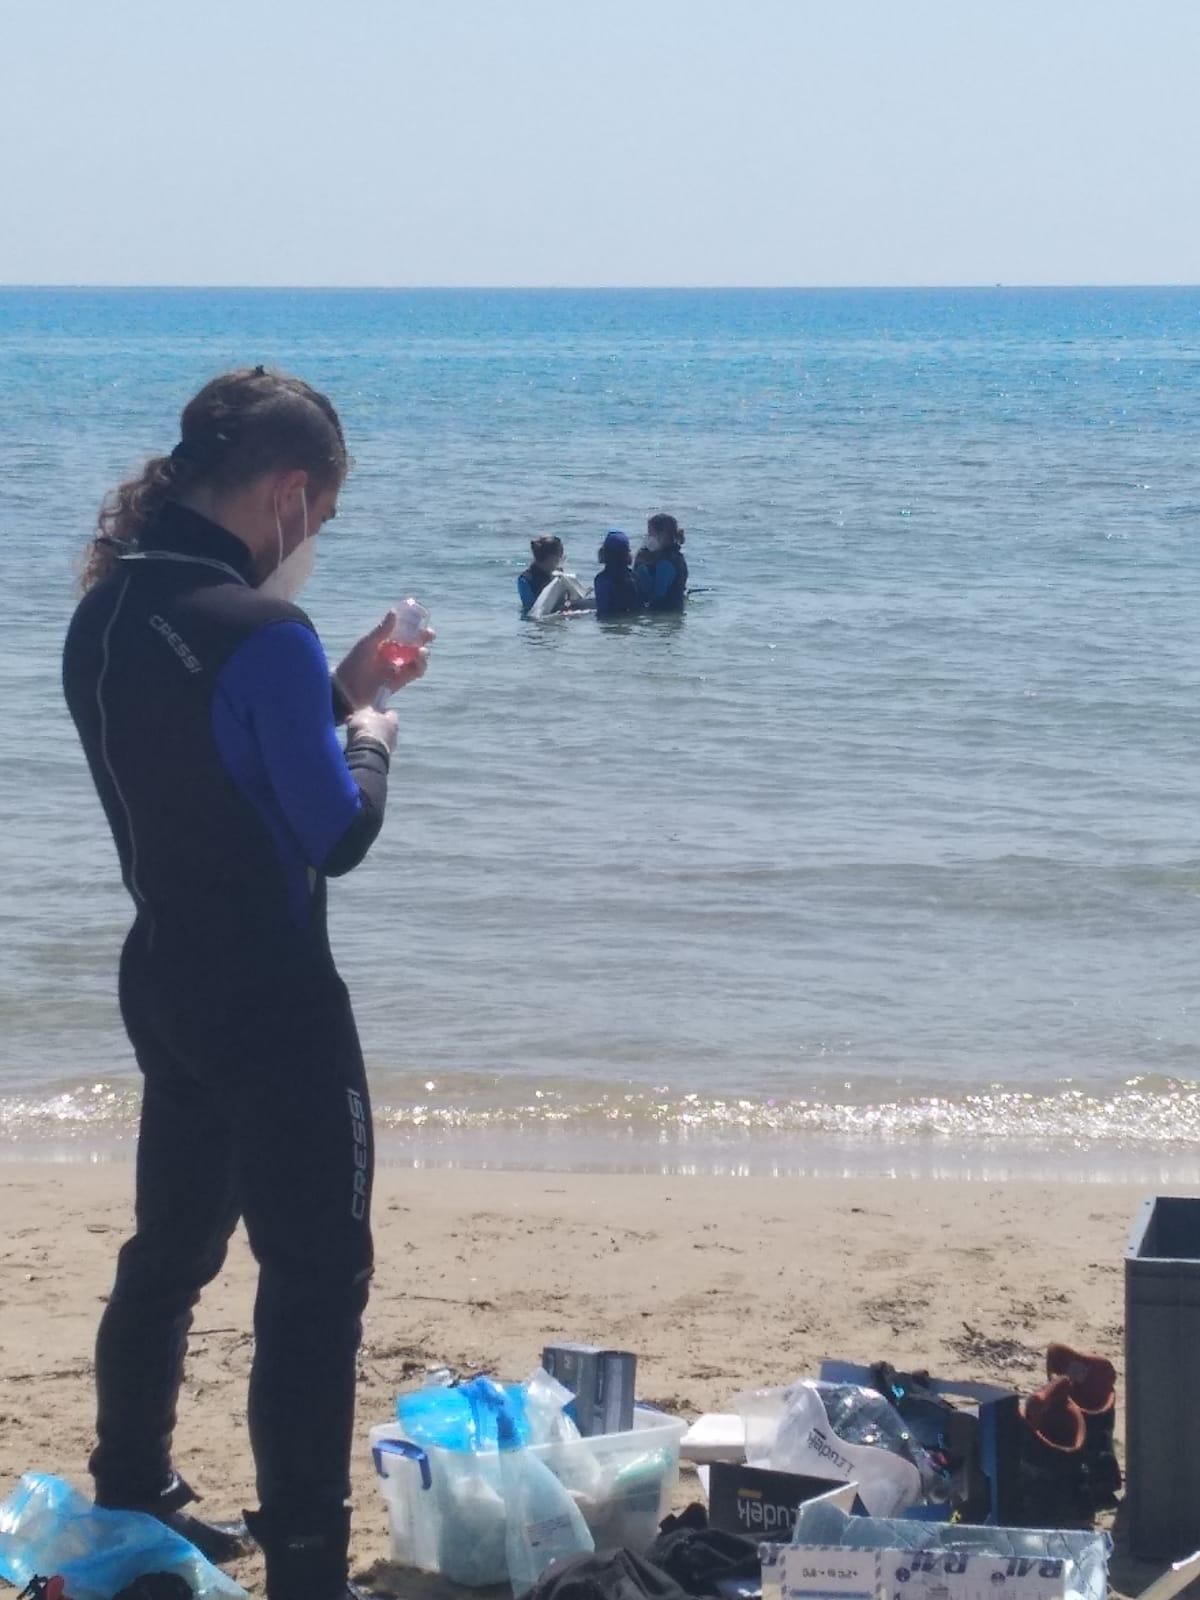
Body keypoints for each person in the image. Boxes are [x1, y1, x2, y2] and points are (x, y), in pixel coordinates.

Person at [61, 367, 430, 1600]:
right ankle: (311, 1567)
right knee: (317, 1273)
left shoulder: (106, 611)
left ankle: (134, 1491)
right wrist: (373, 732)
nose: (311, 544)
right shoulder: (265, 629)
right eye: (317, 519)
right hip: (274, 996)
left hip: (165, 970)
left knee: (171, 1243)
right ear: (286, 492)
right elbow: (332, 832)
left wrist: (337, 690)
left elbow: (210, 760)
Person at [634, 512, 688, 611]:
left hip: (664, 618)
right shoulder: (671, 556)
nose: (648, 538)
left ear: (663, 535)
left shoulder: (667, 563)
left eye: (651, 534)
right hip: (669, 615)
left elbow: (656, 595)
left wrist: (641, 569)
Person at [593, 530, 641, 619]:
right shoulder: (635, 577)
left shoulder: (601, 579)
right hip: (631, 622)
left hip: (608, 624)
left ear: (604, 553)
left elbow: (603, 609)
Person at [517, 535, 564, 612]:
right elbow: (531, 607)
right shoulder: (525, 579)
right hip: (536, 618)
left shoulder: (558, 574)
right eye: (560, 557)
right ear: (551, 558)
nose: (560, 561)